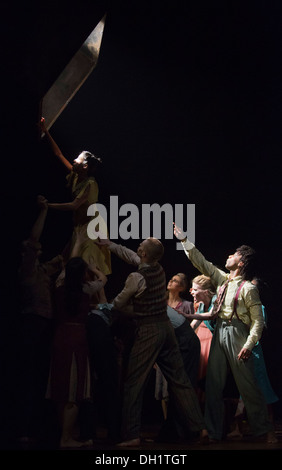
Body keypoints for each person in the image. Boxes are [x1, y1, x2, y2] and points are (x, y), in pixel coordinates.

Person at [97, 236, 208, 447]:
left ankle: (131, 434)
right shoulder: (157, 268)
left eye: (140, 248)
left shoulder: (136, 277)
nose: (137, 249)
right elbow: (132, 256)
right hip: (166, 328)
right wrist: (110, 245)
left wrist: (108, 306)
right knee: (180, 381)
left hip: (149, 329)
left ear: (144, 254)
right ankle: (199, 428)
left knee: (134, 382)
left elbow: (119, 303)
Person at [174, 224, 277, 443]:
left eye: (234, 255)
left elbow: (258, 321)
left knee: (247, 385)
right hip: (220, 331)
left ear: (241, 263)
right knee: (213, 384)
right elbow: (201, 262)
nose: (228, 256)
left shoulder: (248, 288)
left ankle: (264, 429)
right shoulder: (222, 280)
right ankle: (212, 432)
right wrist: (184, 240)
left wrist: (248, 345)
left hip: (238, 333)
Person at [47, 228, 107, 448]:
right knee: (75, 388)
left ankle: (64, 436)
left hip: (60, 336)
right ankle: (66, 438)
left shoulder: (59, 287)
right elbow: (102, 279)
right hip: (77, 337)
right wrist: (91, 266)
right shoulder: (86, 288)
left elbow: (66, 268)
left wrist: (78, 244)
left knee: (61, 386)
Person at [39, 117, 111, 289]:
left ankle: (91, 302)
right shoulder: (76, 176)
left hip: (91, 227)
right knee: (70, 260)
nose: (74, 161)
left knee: (81, 265)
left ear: (85, 166)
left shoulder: (90, 184)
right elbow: (58, 154)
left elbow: (74, 205)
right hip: (80, 225)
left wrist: (48, 206)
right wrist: (45, 130)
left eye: (77, 160)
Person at [17, 195, 64, 448]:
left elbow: (64, 257)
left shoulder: (43, 272)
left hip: (46, 327)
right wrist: (44, 211)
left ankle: (40, 428)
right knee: (29, 377)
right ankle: (24, 428)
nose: (39, 251)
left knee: (42, 379)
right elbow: (34, 241)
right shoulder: (26, 271)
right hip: (31, 325)